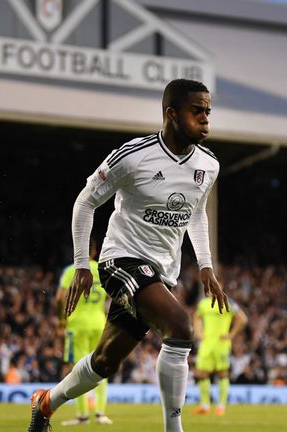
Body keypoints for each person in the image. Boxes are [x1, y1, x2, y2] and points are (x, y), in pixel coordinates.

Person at [28, 78, 229, 432]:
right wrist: (80, 264)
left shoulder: (208, 165)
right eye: (196, 111)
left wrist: (206, 264)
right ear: (171, 114)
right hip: (120, 260)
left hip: (160, 271)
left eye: (208, 112)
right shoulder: (133, 156)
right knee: (181, 327)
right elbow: (85, 201)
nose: (205, 119)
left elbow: (196, 213)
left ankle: (45, 403)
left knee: (106, 361)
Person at [55, 240, 112, 425]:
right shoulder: (103, 270)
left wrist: (61, 320)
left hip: (77, 325)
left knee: (77, 369)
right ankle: (101, 413)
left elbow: (59, 298)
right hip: (98, 323)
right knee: (101, 366)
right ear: (95, 252)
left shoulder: (71, 271)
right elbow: (111, 295)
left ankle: (82, 415)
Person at [192, 294, 247, 416]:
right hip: (206, 344)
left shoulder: (228, 302)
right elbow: (196, 317)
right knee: (201, 373)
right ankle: (205, 405)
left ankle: (221, 405)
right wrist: (198, 332)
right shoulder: (203, 303)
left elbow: (242, 318)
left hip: (221, 345)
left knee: (222, 374)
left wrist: (231, 334)